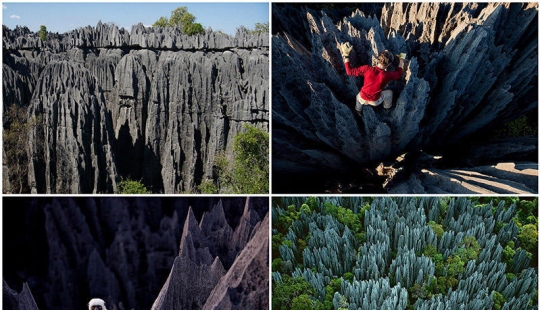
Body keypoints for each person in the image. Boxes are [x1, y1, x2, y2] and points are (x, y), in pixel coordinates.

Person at [338, 42, 404, 115]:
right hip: (375, 101)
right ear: (388, 64)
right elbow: (399, 74)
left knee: (358, 98)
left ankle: (358, 110)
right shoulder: (386, 75)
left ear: (378, 58)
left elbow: (349, 72)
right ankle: (387, 107)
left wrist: (346, 56)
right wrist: (401, 59)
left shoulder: (367, 69)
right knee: (389, 93)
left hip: (362, 97)